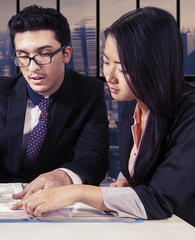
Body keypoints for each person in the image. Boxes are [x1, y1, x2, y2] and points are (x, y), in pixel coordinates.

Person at [11, 7, 195, 227]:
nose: (109, 77)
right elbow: (140, 177)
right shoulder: (132, 106)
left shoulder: (189, 115)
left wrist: (77, 192)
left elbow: (159, 199)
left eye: (123, 67)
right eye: (107, 62)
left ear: (155, 65)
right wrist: (125, 183)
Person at [0, 5, 109, 200]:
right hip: (0, 196)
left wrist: (63, 176)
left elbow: (95, 159)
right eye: (23, 56)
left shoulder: (89, 92)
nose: (32, 67)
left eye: (43, 54)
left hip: (60, 198)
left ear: (66, 54)